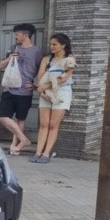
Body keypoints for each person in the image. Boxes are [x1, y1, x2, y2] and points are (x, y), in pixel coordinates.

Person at [0, 23, 41, 155]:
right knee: (2, 117)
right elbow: (0, 66)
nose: (15, 36)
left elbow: (41, 69)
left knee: (21, 119)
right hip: (9, 88)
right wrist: (10, 58)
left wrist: (34, 84)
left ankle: (15, 147)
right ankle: (23, 139)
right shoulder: (13, 48)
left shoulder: (37, 51)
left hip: (25, 91)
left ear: (25, 35)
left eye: (17, 34)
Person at [30, 33, 75, 164]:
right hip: (45, 92)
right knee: (44, 124)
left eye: (54, 44)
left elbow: (64, 78)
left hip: (62, 91)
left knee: (53, 124)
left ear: (63, 45)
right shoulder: (46, 59)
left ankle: (46, 153)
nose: (52, 46)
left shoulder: (70, 59)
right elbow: (40, 77)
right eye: (50, 44)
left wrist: (45, 86)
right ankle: (38, 152)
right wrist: (43, 91)